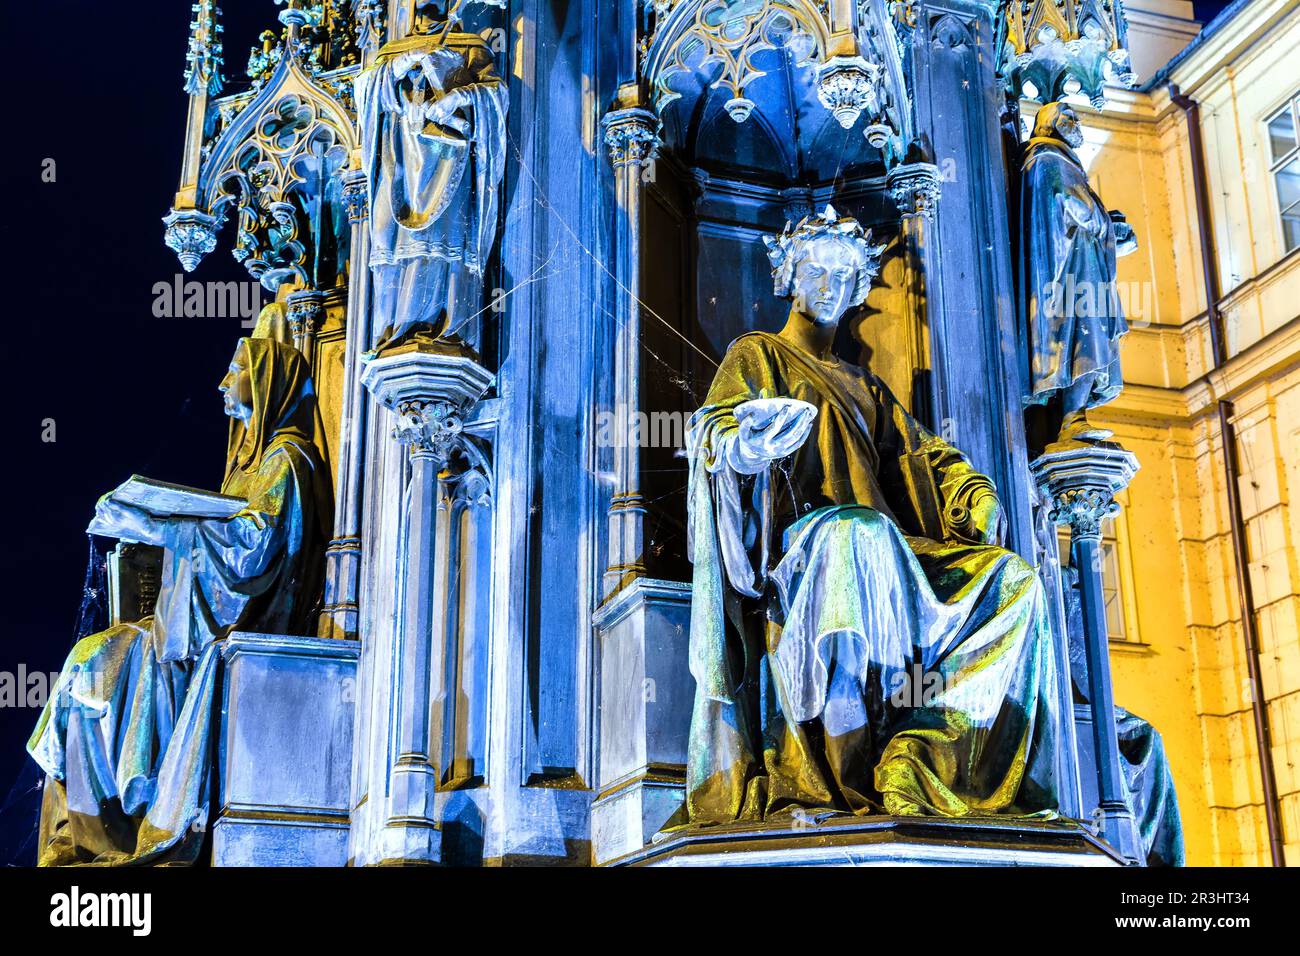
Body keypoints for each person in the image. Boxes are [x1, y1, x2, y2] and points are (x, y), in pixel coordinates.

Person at [682, 207, 1062, 824]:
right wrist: (742, 446)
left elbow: (925, 455)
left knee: (1015, 583)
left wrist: (972, 493)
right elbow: (717, 429)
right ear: (789, 277)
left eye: (843, 273)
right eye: (815, 270)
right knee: (853, 534)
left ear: (859, 288)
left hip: (893, 551)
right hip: (804, 548)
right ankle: (839, 778)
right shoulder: (758, 355)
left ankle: (922, 758)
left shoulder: (865, 385)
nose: (828, 285)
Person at [27, 337, 332, 865]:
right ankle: (83, 834)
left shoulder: (288, 459)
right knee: (86, 664)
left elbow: (251, 551)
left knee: (99, 663)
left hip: (230, 629)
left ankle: (115, 825)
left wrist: (155, 523)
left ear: (265, 383)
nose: (221, 383)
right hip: (188, 625)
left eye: (235, 370)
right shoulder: (246, 465)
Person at [1020, 102, 1135, 447]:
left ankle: (1075, 417)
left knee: (1088, 339)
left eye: (1075, 117)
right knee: (1082, 340)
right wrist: (1109, 227)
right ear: (1048, 125)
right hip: (1071, 273)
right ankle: (1072, 418)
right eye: (1067, 118)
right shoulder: (1048, 158)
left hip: (1082, 270)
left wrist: (1108, 226)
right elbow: (1073, 207)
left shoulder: (1062, 161)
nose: (1075, 123)